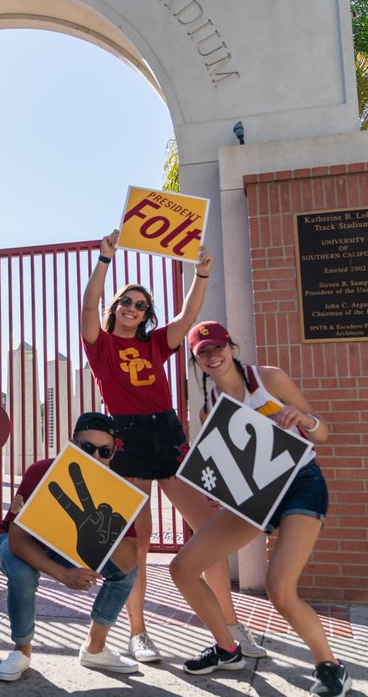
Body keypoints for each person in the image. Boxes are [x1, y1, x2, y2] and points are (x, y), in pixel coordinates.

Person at [80, 230, 265, 664]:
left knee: (210, 531)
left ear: (146, 315)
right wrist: (104, 260)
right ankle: (138, 633)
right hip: (126, 437)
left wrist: (200, 274)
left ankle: (231, 626)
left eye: (141, 305)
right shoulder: (101, 347)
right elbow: (89, 307)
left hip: (167, 433)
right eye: (127, 301)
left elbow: (187, 318)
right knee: (138, 540)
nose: (133, 308)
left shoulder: (154, 343)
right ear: (117, 308)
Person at [171, 321, 350, 697]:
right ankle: (227, 647)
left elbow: (323, 433)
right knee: (182, 568)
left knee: (279, 587)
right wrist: (219, 490)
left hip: (301, 484)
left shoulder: (269, 379)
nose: (211, 356)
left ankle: (330, 667)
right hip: (256, 497)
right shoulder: (210, 411)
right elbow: (235, 470)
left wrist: (304, 419)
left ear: (232, 347)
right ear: (195, 362)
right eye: (201, 352)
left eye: (217, 347)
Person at [0, 412, 141, 682]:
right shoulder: (41, 471)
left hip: (69, 545)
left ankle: (95, 649)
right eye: (87, 448)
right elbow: (17, 540)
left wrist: (108, 535)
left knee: (127, 572)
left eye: (104, 451)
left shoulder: (117, 490)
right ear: (71, 445)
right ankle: (22, 649)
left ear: (111, 456)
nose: (95, 458)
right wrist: (64, 575)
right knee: (22, 572)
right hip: (22, 541)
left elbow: (129, 563)